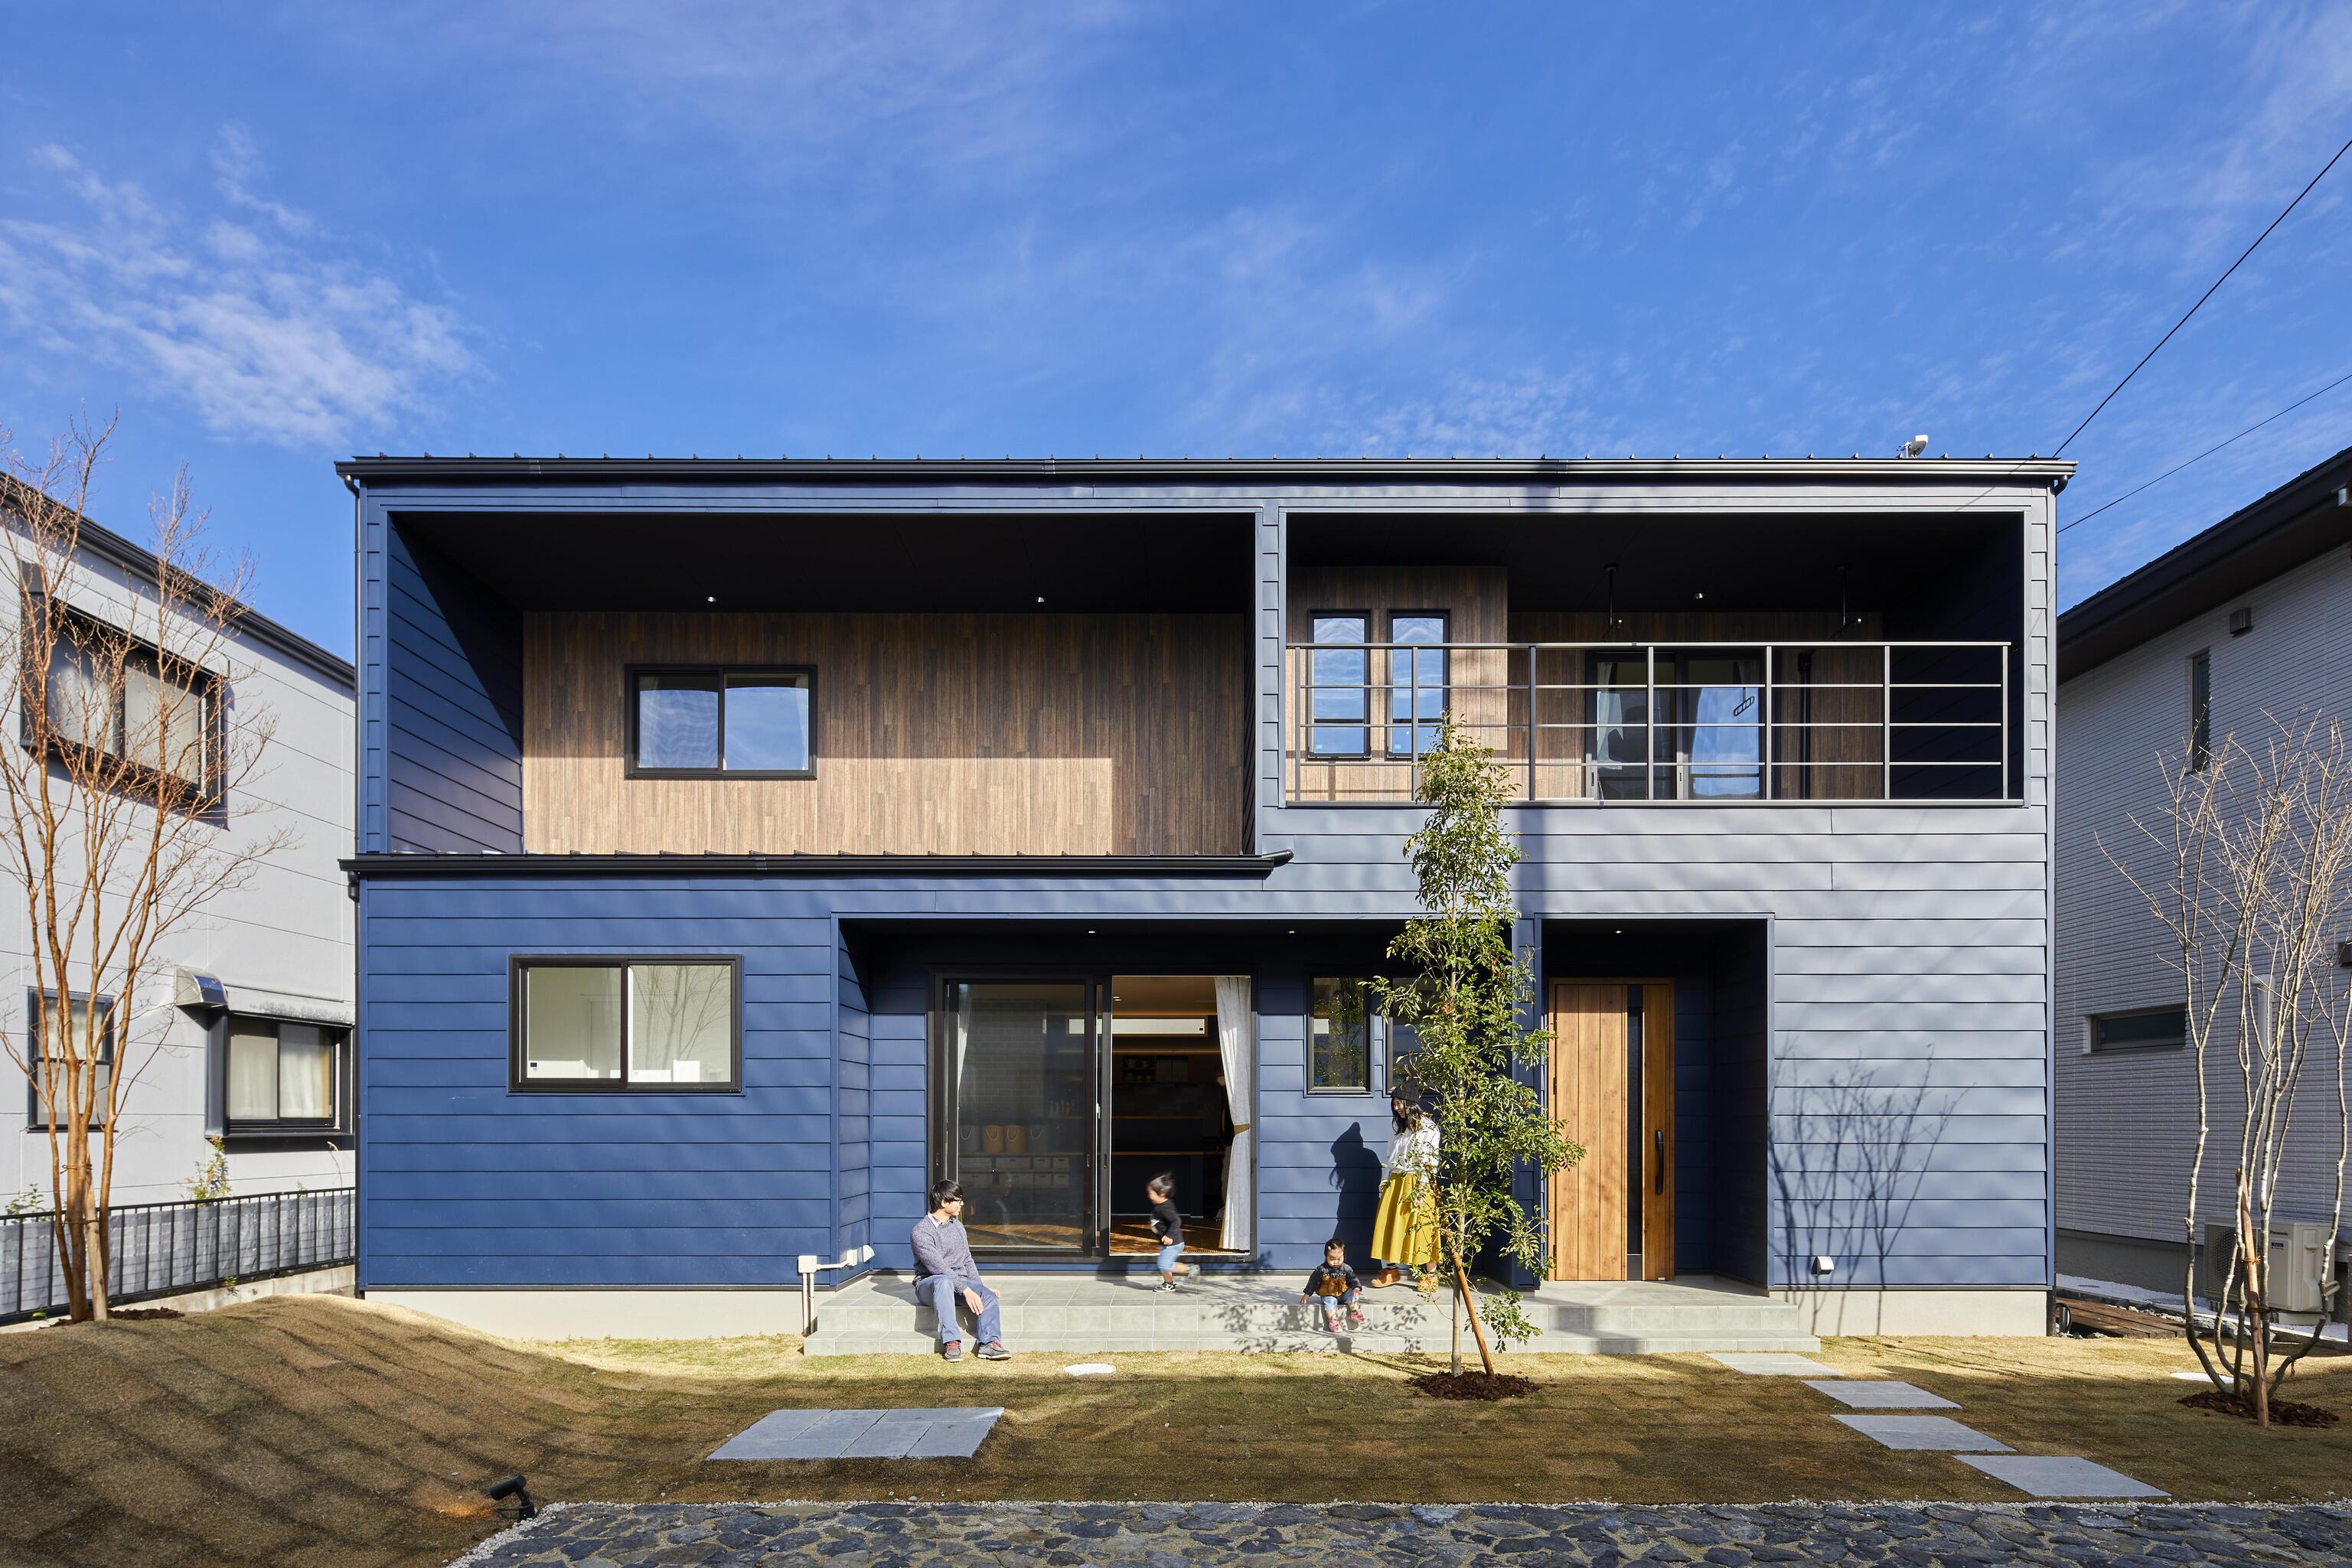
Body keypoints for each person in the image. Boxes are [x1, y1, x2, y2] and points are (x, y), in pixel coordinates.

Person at [909, 1179, 1009, 1362]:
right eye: (958, 1200)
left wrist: (979, 1287)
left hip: (958, 1282)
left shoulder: (957, 1226)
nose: (962, 1204)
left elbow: (967, 1260)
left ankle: (989, 1343)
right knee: (943, 1281)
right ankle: (952, 1342)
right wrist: (966, 1291)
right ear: (944, 1202)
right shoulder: (921, 1232)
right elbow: (939, 1268)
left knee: (988, 1295)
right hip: (930, 1284)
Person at [1369, 1089, 1441, 1289]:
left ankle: (1431, 1275)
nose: (1396, 1108)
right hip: (1395, 1182)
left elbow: (1430, 1162)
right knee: (1388, 1225)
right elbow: (1390, 1160)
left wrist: (1421, 1189)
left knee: (1424, 1227)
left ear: (1411, 1104)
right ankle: (1391, 1271)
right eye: (1394, 1104)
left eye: (1399, 1103)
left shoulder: (1429, 1129)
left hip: (1419, 1182)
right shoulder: (1397, 1130)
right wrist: (1384, 1185)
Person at [1300, 1237, 1366, 1334]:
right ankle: (1333, 1321)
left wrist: (1356, 1288)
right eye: (1332, 1259)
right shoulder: (1321, 1269)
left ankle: (1355, 1311)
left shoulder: (1346, 1268)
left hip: (1343, 1293)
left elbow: (1353, 1278)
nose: (1336, 1262)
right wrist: (1307, 1294)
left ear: (1344, 1256)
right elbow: (1313, 1282)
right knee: (1330, 1302)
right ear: (1326, 1256)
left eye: (1339, 1259)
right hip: (1328, 1294)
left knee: (1353, 1294)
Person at [1147, 1172, 1192, 1292]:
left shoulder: (1165, 1208)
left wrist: (1169, 1236)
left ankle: (1191, 1269)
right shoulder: (1162, 1205)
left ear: (1162, 1193)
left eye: (1151, 1193)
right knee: (1164, 1264)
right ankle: (1168, 1284)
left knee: (1164, 1264)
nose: (1149, 1196)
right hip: (1168, 1244)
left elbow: (1176, 1221)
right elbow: (1162, 1220)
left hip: (1172, 1243)